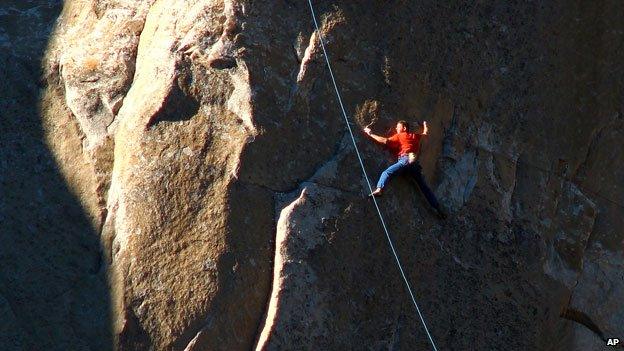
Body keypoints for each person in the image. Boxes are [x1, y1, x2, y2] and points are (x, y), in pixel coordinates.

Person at [364, 120, 447, 219]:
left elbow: (385, 141)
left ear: (404, 128)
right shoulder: (415, 136)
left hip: (405, 160)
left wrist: (370, 133)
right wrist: (424, 125)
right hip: (414, 164)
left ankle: (379, 189)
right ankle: (437, 208)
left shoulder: (401, 135)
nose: (396, 128)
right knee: (424, 187)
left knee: (387, 172)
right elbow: (425, 133)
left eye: (398, 127)